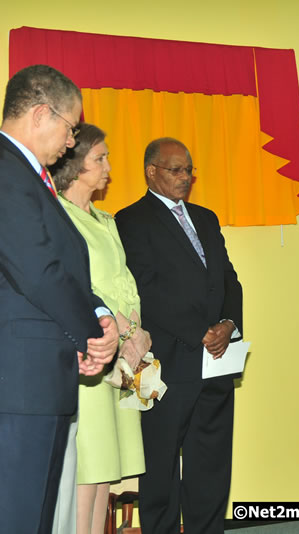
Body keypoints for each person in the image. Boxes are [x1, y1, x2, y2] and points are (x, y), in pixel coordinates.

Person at [0, 64, 118, 534]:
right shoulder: (6, 170)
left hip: (38, 379)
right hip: (18, 383)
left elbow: (62, 266)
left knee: (36, 517)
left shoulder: (29, 176)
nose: (71, 142)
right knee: (18, 517)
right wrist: (92, 336)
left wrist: (100, 313)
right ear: (40, 114)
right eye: (70, 128)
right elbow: (39, 271)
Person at [115, 137, 243, 534]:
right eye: (176, 170)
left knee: (211, 466)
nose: (185, 177)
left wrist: (229, 324)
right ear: (151, 171)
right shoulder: (130, 220)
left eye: (189, 170)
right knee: (160, 467)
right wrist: (199, 332)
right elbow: (145, 289)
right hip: (164, 363)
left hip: (215, 360)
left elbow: (228, 279)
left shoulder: (206, 218)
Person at [49, 123, 149, 534]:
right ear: (76, 165)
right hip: (90, 350)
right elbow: (77, 283)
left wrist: (138, 330)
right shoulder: (58, 215)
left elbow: (124, 279)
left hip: (120, 355)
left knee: (106, 468)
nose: (109, 167)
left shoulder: (106, 219)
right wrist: (119, 326)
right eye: (100, 158)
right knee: (87, 467)